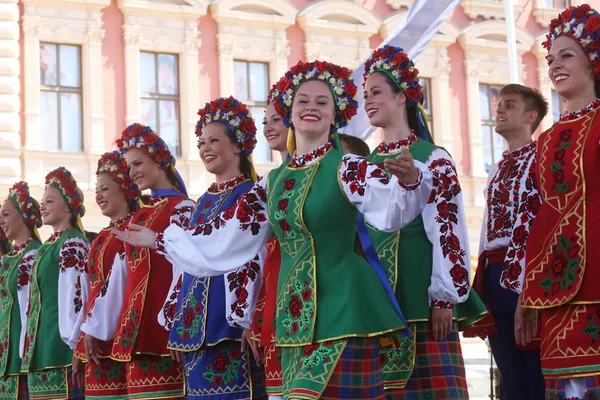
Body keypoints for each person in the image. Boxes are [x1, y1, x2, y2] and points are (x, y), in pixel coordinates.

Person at [113, 59, 434, 400]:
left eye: (322, 102)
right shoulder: (272, 183)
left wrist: (411, 182)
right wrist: (162, 240)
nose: (312, 107)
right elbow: (228, 238)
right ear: (291, 112)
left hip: (345, 309)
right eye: (303, 101)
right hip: (293, 318)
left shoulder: (347, 167)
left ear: (335, 114)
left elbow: (390, 212)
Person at [362, 45, 487, 399]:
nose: (369, 100)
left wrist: (444, 297)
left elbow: (449, 229)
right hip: (377, 304)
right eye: (366, 94)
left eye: (377, 92)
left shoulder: (432, 157)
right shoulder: (364, 165)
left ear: (402, 97)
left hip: (420, 296)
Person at [521, 4, 600, 399]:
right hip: (557, 285)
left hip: (599, 276)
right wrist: (527, 291)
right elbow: (544, 216)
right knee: (569, 390)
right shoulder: (547, 139)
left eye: (567, 55)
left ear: (594, 62)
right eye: (550, 59)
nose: (554, 65)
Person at [163, 96, 266, 399]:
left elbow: (255, 258)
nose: (205, 147)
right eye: (201, 142)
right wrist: (179, 325)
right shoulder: (201, 202)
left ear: (237, 146)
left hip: (232, 327)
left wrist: (251, 319)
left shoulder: (250, 193)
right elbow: (186, 264)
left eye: (214, 140)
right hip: (197, 331)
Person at [465, 84, 548, 399]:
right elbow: (488, 229)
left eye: (508, 105)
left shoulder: (541, 160)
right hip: (494, 276)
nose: (498, 110)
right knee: (508, 375)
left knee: (534, 369)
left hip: (527, 276)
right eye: (498, 104)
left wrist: (531, 284)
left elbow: (540, 224)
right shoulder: (496, 169)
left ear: (530, 116)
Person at [102, 124, 193, 399]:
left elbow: (188, 270)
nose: (132, 172)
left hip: (165, 335)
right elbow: (121, 278)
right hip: (134, 335)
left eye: (138, 163)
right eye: (129, 167)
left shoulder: (184, 208)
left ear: (160, 161)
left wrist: (180, 324)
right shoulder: (138, 218)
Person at [73, 150, 141, 399]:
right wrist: (82, 338)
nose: (98, 195)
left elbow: (119, 284)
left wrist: (93, 328)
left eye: (104, 189)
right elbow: (91, 292)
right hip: (95, 339)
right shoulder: (103, 235)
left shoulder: (135, 228)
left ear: (124, 188)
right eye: (96, 190)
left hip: (120, 335)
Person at [20, 167, 89, 400]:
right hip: (41, 350)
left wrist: (76, 345)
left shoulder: (72, 243)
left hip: (62, 350)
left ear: (69, 205)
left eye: (49, 200)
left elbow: (77, 299)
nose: (43, 205)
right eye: (42, 201)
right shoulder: (49, 245)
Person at [250, 95, 289, 400]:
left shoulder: (336, 167)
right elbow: (254, 253)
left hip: (321, 297)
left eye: (277, 119)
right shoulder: (268, 182)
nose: (269, 127)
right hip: (277, 301)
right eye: (265, 121)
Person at [0, 182, 43, 399]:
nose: (1, 221)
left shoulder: (35, 253)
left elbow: (31, 308)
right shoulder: (10, 258)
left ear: (24, 215)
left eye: (6, 214)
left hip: (21, 354)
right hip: (6, 356)